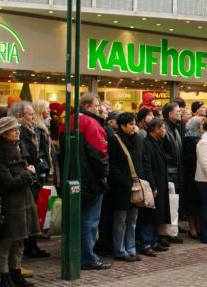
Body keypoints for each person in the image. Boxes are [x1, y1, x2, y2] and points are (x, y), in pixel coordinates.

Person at [0, 116, 38, 287]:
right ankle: (5, 277)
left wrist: (29, 173)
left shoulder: (18, 147)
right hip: (10, 203)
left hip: (23, 200)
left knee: (20, 241)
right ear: (4, 133)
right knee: (6, 243)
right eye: (13, 129)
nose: (17, 132)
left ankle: (16, 273)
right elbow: (7, 182)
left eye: (18, 129)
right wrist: (27, 173)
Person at [71, 93, 111, 271]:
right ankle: (87, 257)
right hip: (90, 180)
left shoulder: (69, 120)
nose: (99, 109)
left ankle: (76, 253)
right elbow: (99, 154)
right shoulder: (91, 123)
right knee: (89, 220)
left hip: (74, 177)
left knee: (76, 218)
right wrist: (103, 175)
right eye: (96, 105)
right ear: (87, 107)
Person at [10, 101, 50, 259]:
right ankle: (27, 248)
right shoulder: (20, 133)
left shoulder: (29, 131)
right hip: (25, 179)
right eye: (30, 114)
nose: (33, 117)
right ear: (19, 116)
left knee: (31, 215)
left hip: (32, 178)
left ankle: (31, 245)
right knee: (25, 216)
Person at [107, 112, 143, 262]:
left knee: (133, 219)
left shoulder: (137, 139)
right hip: (121, 187)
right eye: (130, 124)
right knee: (121, 220)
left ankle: (131, 248)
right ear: (122, 125)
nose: (133, 127)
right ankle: (120, 250)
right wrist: (122, 180)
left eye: (134, 123)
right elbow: (112, 164)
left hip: (135, 184)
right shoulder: (115, 140)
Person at [139, 119, 169, 256]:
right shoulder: (146, 144)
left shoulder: (158, 143)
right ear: (156, 129)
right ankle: (146, 243)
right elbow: (147, 167)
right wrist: (152, 186)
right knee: (149, 215)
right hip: (153, 184)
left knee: (156, 214)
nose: (165, 131)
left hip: (160, 183)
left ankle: (154, 241)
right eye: (163, 128)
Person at [161, 102, 184, 245]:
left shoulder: (175, 129)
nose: (180, 113)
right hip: (169, 173)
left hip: (176, 172)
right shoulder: (165, 129)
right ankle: (164, 234)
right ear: (169, 114)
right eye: (177, 111)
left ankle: (171, 232)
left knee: (174, 205)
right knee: (168, 205)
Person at [181, 116, 203, 239]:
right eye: (200, 124)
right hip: (191, 174)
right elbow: (189, 158)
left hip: (199, 173)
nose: (202, 127)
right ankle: (192, 227)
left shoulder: (200, 137)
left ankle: (198, 226)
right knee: (191, 201)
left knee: (198, 201)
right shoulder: (189, 138)